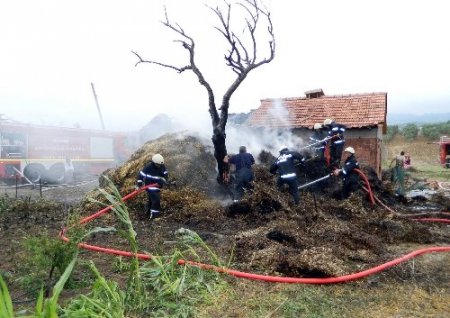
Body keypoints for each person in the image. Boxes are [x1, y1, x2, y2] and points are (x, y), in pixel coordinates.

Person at [136, 153, 168, 219]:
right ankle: (154, 216)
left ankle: (147, 212)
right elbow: (141, 175)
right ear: (153, 162)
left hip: (157, 186)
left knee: (151, 200)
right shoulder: (148, 167)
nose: (159, 166)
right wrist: (139, 184)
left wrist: (163, 182)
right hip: (150, 185)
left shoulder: (162, 166)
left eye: (160, 165)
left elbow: (165, 175)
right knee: (156, 200)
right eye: (157, 164)